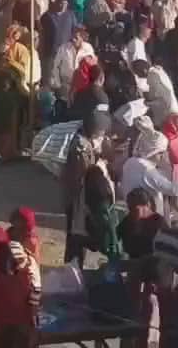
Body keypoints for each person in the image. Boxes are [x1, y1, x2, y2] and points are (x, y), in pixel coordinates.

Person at [61, 111, 109, 266]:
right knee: (76, 238)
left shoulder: (84, 143)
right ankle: (72, 269)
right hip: (78, 201)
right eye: (102, 131)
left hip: (78, 199)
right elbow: (80, 176)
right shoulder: (81, 148)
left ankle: (74, 265)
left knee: (77, 237)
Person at [120, 125, 178, 218]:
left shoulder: (130, 162)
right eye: (161, 153)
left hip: (132, 213)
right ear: (152, 151)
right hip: (148, 218)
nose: (163, 156)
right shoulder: (146, 169)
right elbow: (174, 190)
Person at [118, 187, 166, 259]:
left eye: (135, 208)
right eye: (130, 208)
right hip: (132, 262)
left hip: (153, 262)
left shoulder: (159, 222)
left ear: (148, 205)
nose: (131, 211)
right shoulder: (127, 221)